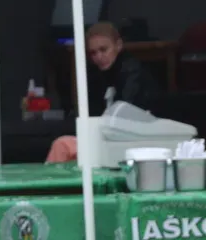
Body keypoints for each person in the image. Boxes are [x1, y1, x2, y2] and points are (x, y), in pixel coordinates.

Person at [45, 21, 163, 163]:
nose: (99, 57)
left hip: (133, 141)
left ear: (118, 45)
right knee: (63, 146)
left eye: (103, 49)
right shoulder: (96, 75)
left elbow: (125, 114)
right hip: (108, 139)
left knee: (62, 145)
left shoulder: (132, 72)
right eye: (93, 53)